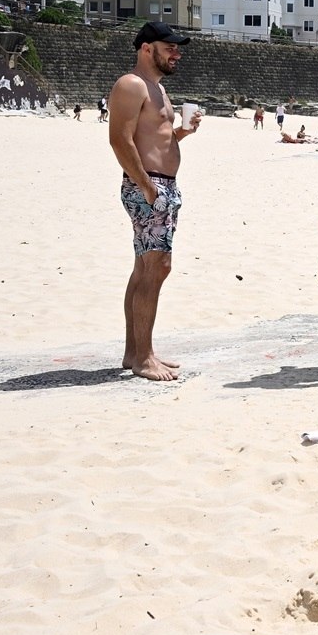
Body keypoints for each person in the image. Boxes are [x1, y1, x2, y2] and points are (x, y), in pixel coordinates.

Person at [107, 21, 198, 381]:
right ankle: (143, 357)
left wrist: (182, 133)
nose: (177, 53)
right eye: (169, 47)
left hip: (161, 185)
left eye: (178, 48)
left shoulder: (156, 88)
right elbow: (120, 140)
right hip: (150, 186)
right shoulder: (131, 85)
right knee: (156, 268)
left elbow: (154, 140)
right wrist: (145, 185)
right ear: (147, 48)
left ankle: (136, 351)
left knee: (146, 269)